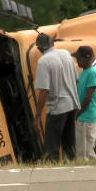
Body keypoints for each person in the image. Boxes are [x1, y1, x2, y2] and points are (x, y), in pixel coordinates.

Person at [33, 33, 81, 163]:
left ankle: (52, 170)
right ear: (52, 43)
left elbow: (44, 90)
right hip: (72, 105)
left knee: (51, 145)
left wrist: (37, 115)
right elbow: (76, 80)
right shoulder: (66, 54)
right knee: (69, 142)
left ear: (39, 48)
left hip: (58, 107)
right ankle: (73, 166)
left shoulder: (43, 61)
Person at [71, 46, 96, 160]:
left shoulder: (92, 72)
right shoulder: (82, 73)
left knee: (86, 151)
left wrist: (77, 113)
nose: (77, 61)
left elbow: (88, 96)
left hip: (87, 116)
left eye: (79, 58)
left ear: (87, 58)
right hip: (82, 116)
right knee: (83, 150)